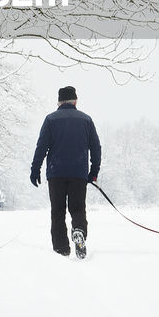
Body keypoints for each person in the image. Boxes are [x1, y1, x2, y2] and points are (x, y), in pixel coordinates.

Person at [30, 86, 101, 259]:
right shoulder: (86, 120)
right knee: (77, 208)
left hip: (56, 173)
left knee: (58, 211)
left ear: (59, 102)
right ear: (75, 101)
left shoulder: (50, 120)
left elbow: (41, 147)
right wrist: (94, 171)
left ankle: (61, 249)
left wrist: (35, 169)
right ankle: (79, 230)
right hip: (78, 173)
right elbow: (96, 148)